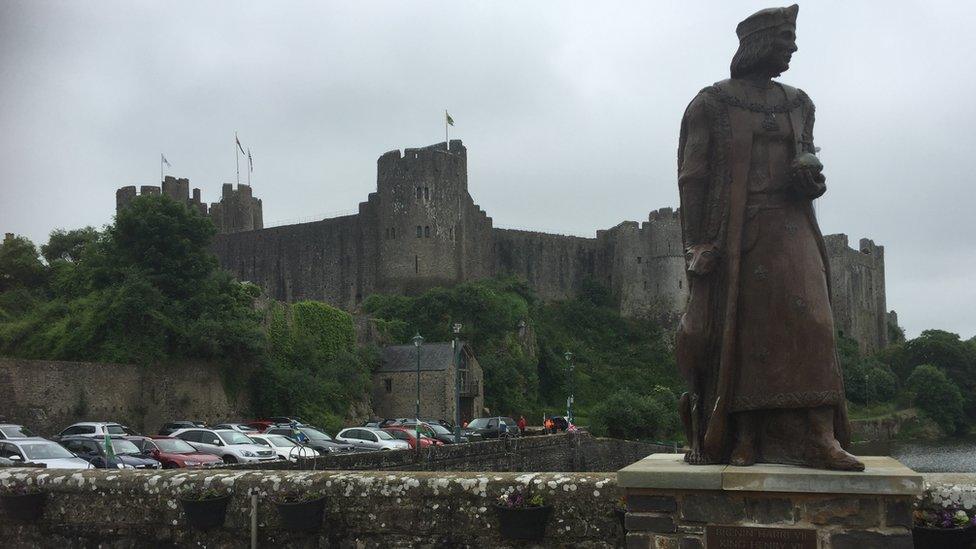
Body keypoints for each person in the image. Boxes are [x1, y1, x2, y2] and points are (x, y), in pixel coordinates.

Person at [675, 4, 862, 470]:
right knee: (747, 333)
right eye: (785, 40)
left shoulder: (799, 103)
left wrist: (812, 182)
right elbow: (692, 179)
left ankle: (820, 436)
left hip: (794, 230)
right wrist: (697, 246)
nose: (793, 48)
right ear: (759, 44)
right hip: (738, 233)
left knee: (814, 326)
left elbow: (810, 164)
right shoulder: (711, 103)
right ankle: (746, 437)